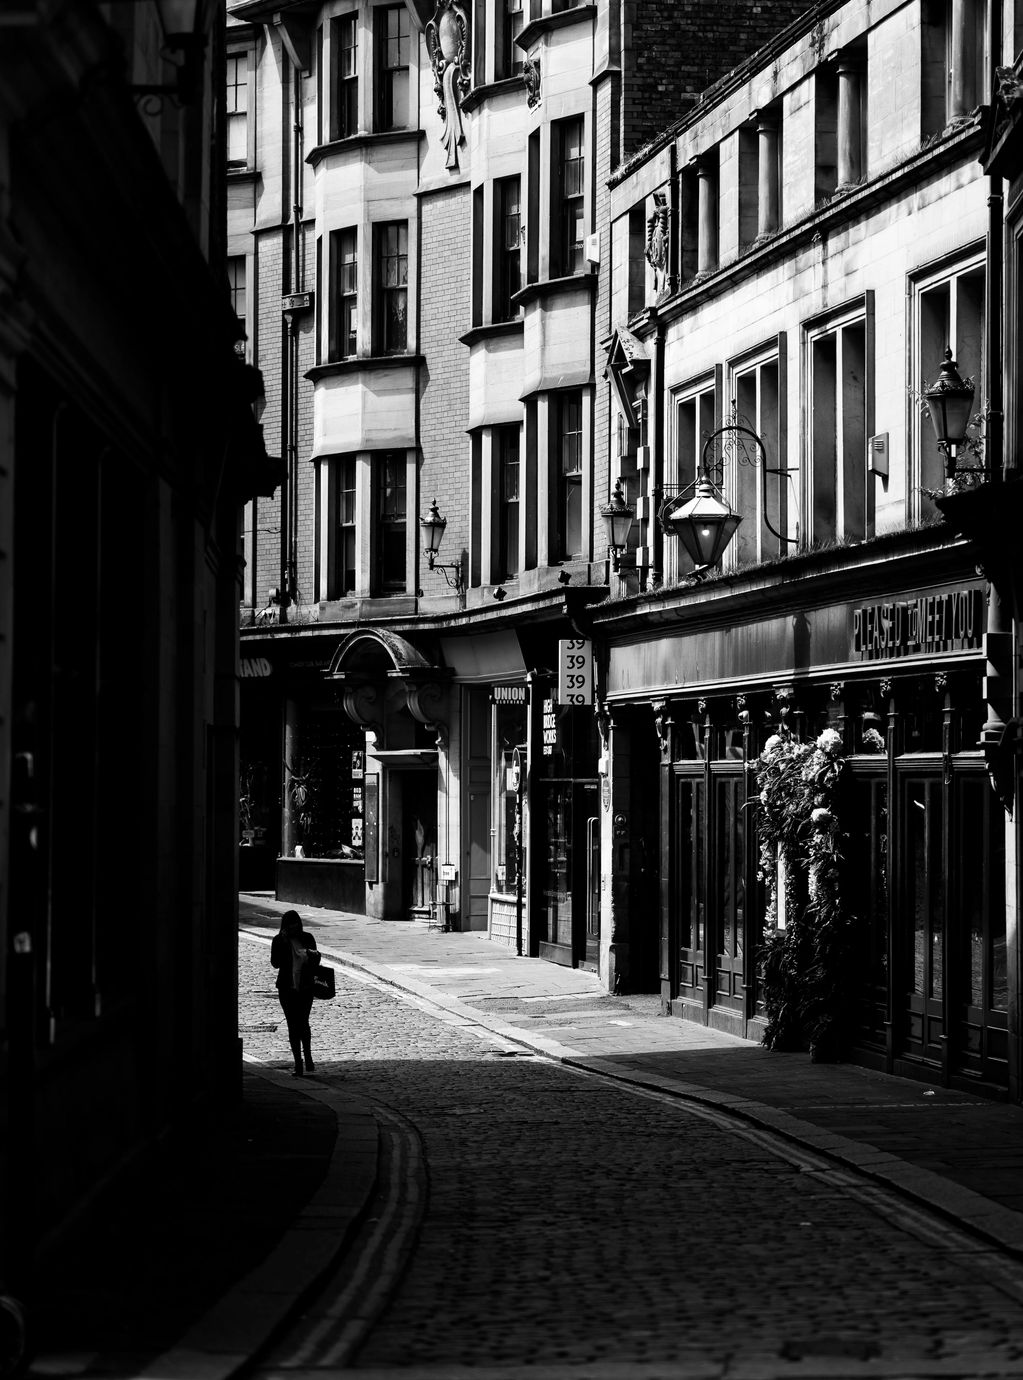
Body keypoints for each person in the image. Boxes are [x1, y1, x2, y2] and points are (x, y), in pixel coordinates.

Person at [271, 910, 320, 1076]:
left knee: (304, 1022)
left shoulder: (307, 938)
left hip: (305, 986)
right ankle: (298, 1063)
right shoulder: (278, 940)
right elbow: (275, 963)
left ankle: (308, 1057)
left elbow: (316, 960)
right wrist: (284, 942)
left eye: (296, 923)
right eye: (290, 924)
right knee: (292, 1024)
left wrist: (310, 954)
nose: (294, 927)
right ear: (285, 926)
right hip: (286, 987)